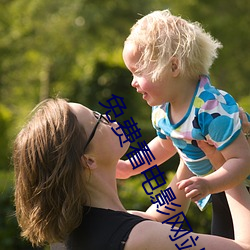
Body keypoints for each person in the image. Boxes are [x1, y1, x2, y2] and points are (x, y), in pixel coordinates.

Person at [13, 98, 250, 250]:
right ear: (88, 160)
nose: (109, 119)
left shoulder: (80, 232)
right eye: (98, 120)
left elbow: (159, 217)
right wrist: (226, 165)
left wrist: (190, 137)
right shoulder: (137, 238)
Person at [119, 9, 250, 239]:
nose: (132, 83)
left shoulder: (211, 109)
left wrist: (209, 184)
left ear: (173, 67)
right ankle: (155, 217)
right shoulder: (162, 110)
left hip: (239, 186)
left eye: (138, 72)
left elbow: (242, 160)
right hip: (218, 188)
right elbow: (165, 145)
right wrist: (130, 166)